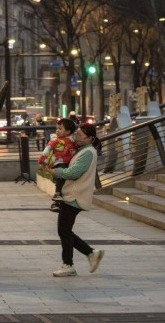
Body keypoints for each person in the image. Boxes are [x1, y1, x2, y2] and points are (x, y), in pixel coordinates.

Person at [50, 122, 105, 277]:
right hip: (72, 195)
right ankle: (91, 254)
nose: (77, 137)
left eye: (81, 135)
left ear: (90, 138)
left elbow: (74, 173)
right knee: (65, 230)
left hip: (75, 196)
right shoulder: (82, 151)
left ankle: (68, 264)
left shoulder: (88, 153)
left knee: (64, 231)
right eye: (77, 134)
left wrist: (57, 172)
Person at [38, 117, 77, 211]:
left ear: (68, 131)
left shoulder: (73, 141)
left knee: (64, 182)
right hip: (59, 163)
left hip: (69, 164)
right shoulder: (55, 141)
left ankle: (58, 203)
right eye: (57, 128)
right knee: (60, 179)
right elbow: (47, 150)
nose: (57, 131)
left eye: (60, 128)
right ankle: (57, 194)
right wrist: (42, 161)